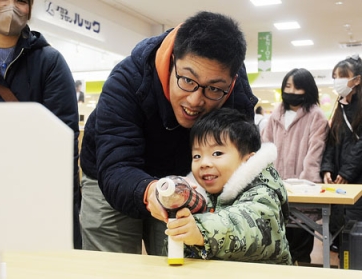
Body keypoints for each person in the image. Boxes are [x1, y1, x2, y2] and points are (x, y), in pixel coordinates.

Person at [80, 11, 257, 255]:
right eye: (187, 80)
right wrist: (150, 191)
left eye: (214, 89)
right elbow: (115, 167)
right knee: (111, 265)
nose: (195, 100)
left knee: (178, 259)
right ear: (172, 60)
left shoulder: (237, 97)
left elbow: (239, 166)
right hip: (112, 175)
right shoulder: (127, 81)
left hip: (187, 183)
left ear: (232, 82)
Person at [0, 0, 82, 249]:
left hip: (36, 196)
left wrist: (62, 208)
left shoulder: (50, 63)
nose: (12, 7)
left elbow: (63, 142)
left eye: (21, 1)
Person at [164, 108, 292, 264]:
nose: (204, 163)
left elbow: (246, 225)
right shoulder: (202, 196)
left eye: (217, 153)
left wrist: (200, 230)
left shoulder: (264, 194)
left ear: (247, 160)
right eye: (197, 155)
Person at [261, 68, 329, 264]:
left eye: (297, 87)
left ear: (307, 90)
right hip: (275, 189)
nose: (291, 91)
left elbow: (314, 153)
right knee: (276, 248)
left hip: (302, 191)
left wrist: (304, 184)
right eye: (288, 86)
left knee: (300, 248)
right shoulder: (276, 115)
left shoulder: (316, 116)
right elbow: (265, 147)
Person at [320, 54, 362, 251]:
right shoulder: (341, 106)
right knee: (339, 231)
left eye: (342, 76)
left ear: (357, 79)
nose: (337, 80)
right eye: (335, 76)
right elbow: (332, 140)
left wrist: (347, 172)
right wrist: (327, 168)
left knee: (355, 232)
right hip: (338, 181)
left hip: (356, 180)